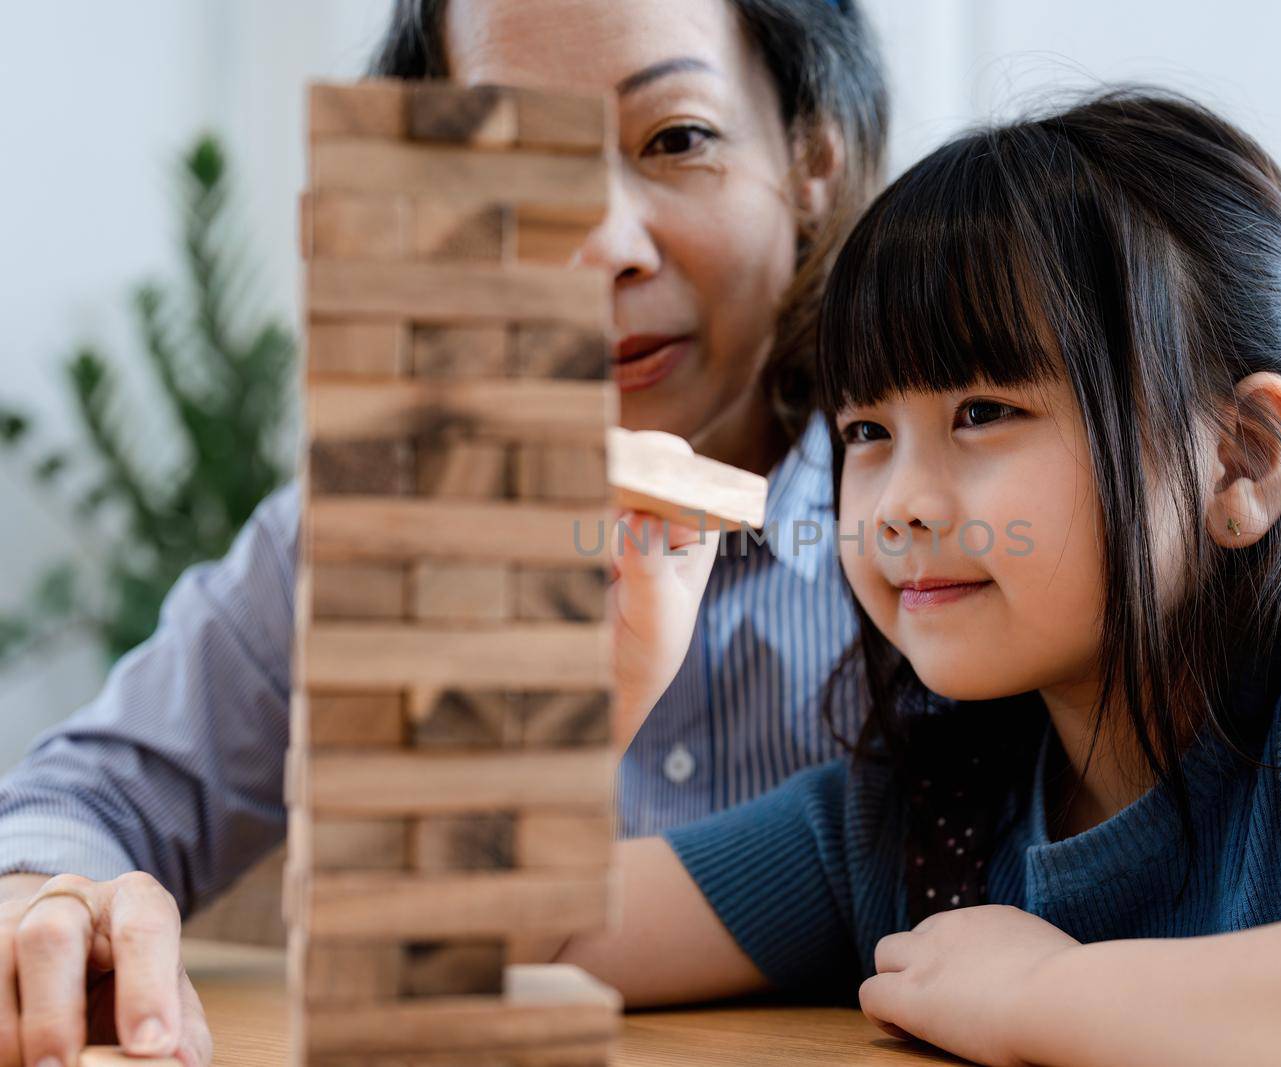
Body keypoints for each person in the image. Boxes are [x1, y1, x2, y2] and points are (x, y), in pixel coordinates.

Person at [537, 89, 1281, 1065]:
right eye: (865, 428)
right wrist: (607, 688)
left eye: (983, 412)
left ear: (1241, 457)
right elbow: (449, 935)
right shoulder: (925, 810)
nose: (895, 500)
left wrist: (1047, 990)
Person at [0, 2, 886, 1065]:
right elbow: (82, 796)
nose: (600, 244)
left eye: (675, 139)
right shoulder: (351, 526)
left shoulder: (963, 536)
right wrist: (45, 905)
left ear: (811, 157)